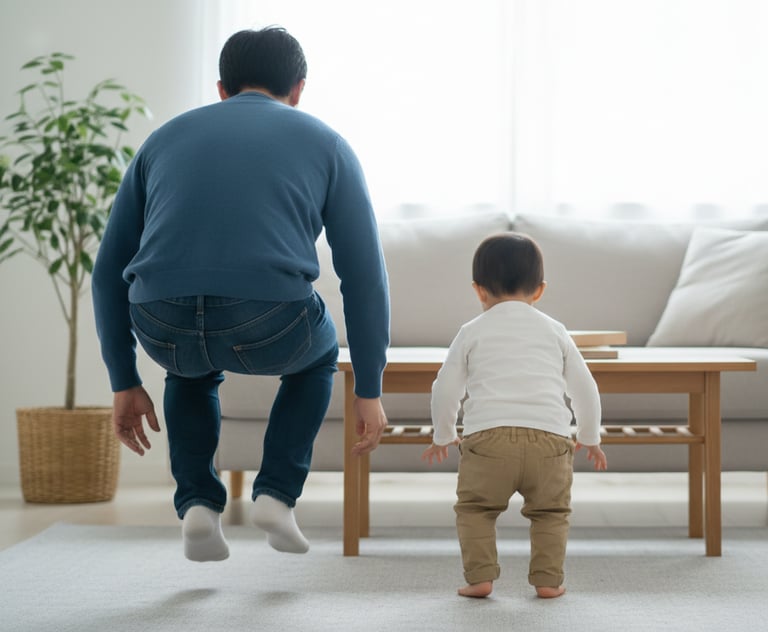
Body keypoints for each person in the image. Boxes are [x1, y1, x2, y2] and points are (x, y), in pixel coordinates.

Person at [92, 27, 389, 562]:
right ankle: (276, 493)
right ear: (298, 89)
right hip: (270, 320)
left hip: (159, 322)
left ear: (222, 89)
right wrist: (368, 387)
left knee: (188, 372)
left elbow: (108, 268)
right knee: (319, 357)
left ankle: (199, 507)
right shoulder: (326, 142)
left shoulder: (161, 140)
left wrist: (125, 379)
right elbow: (363, 275)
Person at [422, 232, 606, 599]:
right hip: (551, 442)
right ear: (539, 290)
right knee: (551, 513)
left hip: (488, 442)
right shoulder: (555, 331)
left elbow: (445, 388)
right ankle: (548, 581)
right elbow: (585, 388)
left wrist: (443, 434)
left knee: (475, 509)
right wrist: (589, 435)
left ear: (479, 290)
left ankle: (480, 578)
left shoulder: (471, 331)